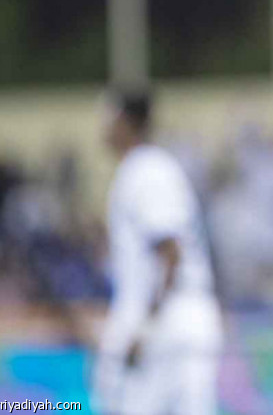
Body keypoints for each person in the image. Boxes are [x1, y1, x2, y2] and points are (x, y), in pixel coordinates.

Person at [94, 91, 222, 415]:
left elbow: (170, 253)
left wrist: (144, 328)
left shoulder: (147, 170)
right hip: (170, 318)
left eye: (108, 118)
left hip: (167, 322)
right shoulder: (143, 168)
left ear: (126, 121)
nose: (102, 128)